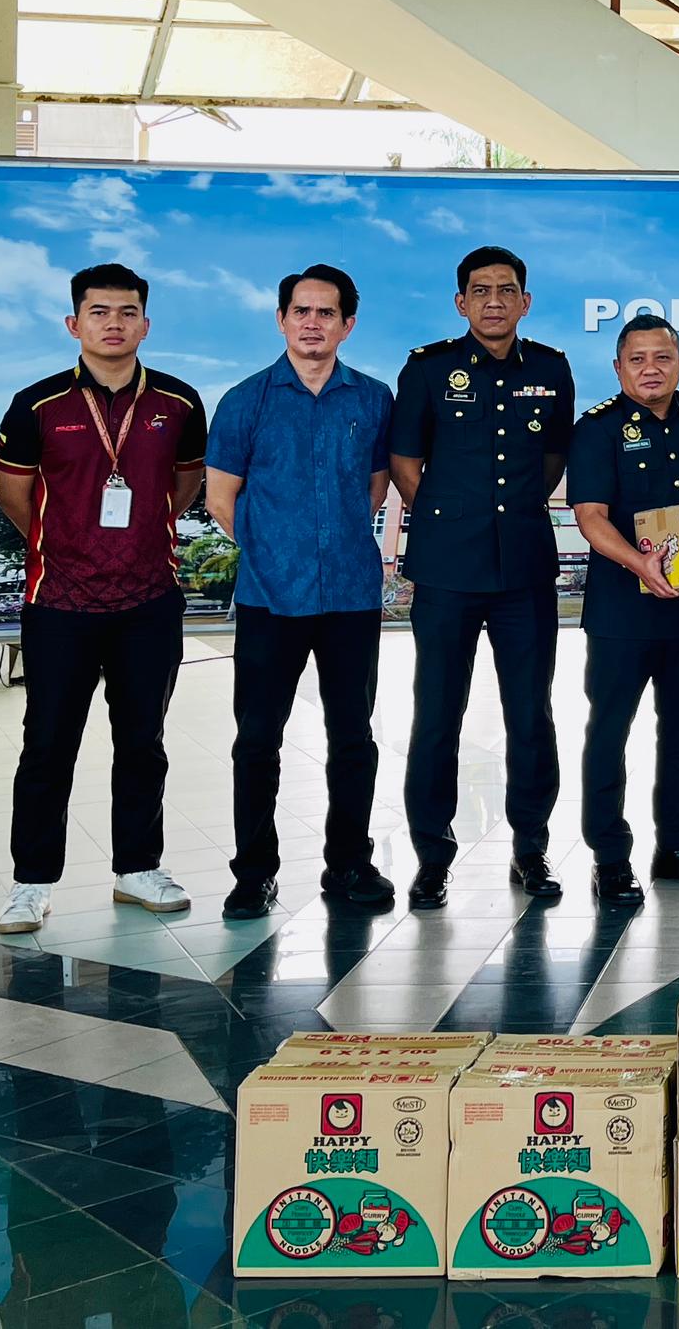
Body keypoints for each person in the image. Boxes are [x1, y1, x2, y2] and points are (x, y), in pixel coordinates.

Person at [0, 263, 208, 935]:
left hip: (149, 600)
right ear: (74, 323)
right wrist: (68, 546)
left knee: (143, 741)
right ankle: (31, 882)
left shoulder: (179, 402)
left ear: (146, 323)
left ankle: (138, 868)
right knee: (47, 745)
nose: (114, 323)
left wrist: (138, 540)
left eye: (127, 311)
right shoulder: (37, 405)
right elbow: (14, 496)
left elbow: (184, 485)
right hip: (60, 600)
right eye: (99, 311)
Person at [203, 264, 397, 920]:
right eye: (301, 311)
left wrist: (330, 541)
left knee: (353, 738)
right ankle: (253, 874)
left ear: (348, 324)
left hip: (349, 595)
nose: (313, 323)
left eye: (326, 312)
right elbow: (221, 499)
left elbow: (375, 488)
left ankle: (349, 864)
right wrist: (278, 548)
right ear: (282, 319)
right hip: (269, 597)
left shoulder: (373, 400)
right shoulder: (246, 400)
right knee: (258, 741)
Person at [388, 246, 576, 910]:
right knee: (437, 714)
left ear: (525, 301)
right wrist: (451, 518)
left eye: (506, 290)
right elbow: (405, 462)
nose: (493, 301)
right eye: (480, 290)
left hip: (524, 567)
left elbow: (553, 458)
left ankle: (531, 848)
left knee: (531, 714)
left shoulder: (551, 368)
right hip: (447, 570)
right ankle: (431, 856)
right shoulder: (427, 368)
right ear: (461, 302)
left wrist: (512, 511)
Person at [568, 313, 679, 909]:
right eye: (637, 359)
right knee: (609, 732)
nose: (650, 369)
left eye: (662, 357)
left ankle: (675, 845)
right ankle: (610, 857)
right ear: (618, 368)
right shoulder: (596, 429)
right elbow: (591, 517)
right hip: (622, 613)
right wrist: (640, 564)